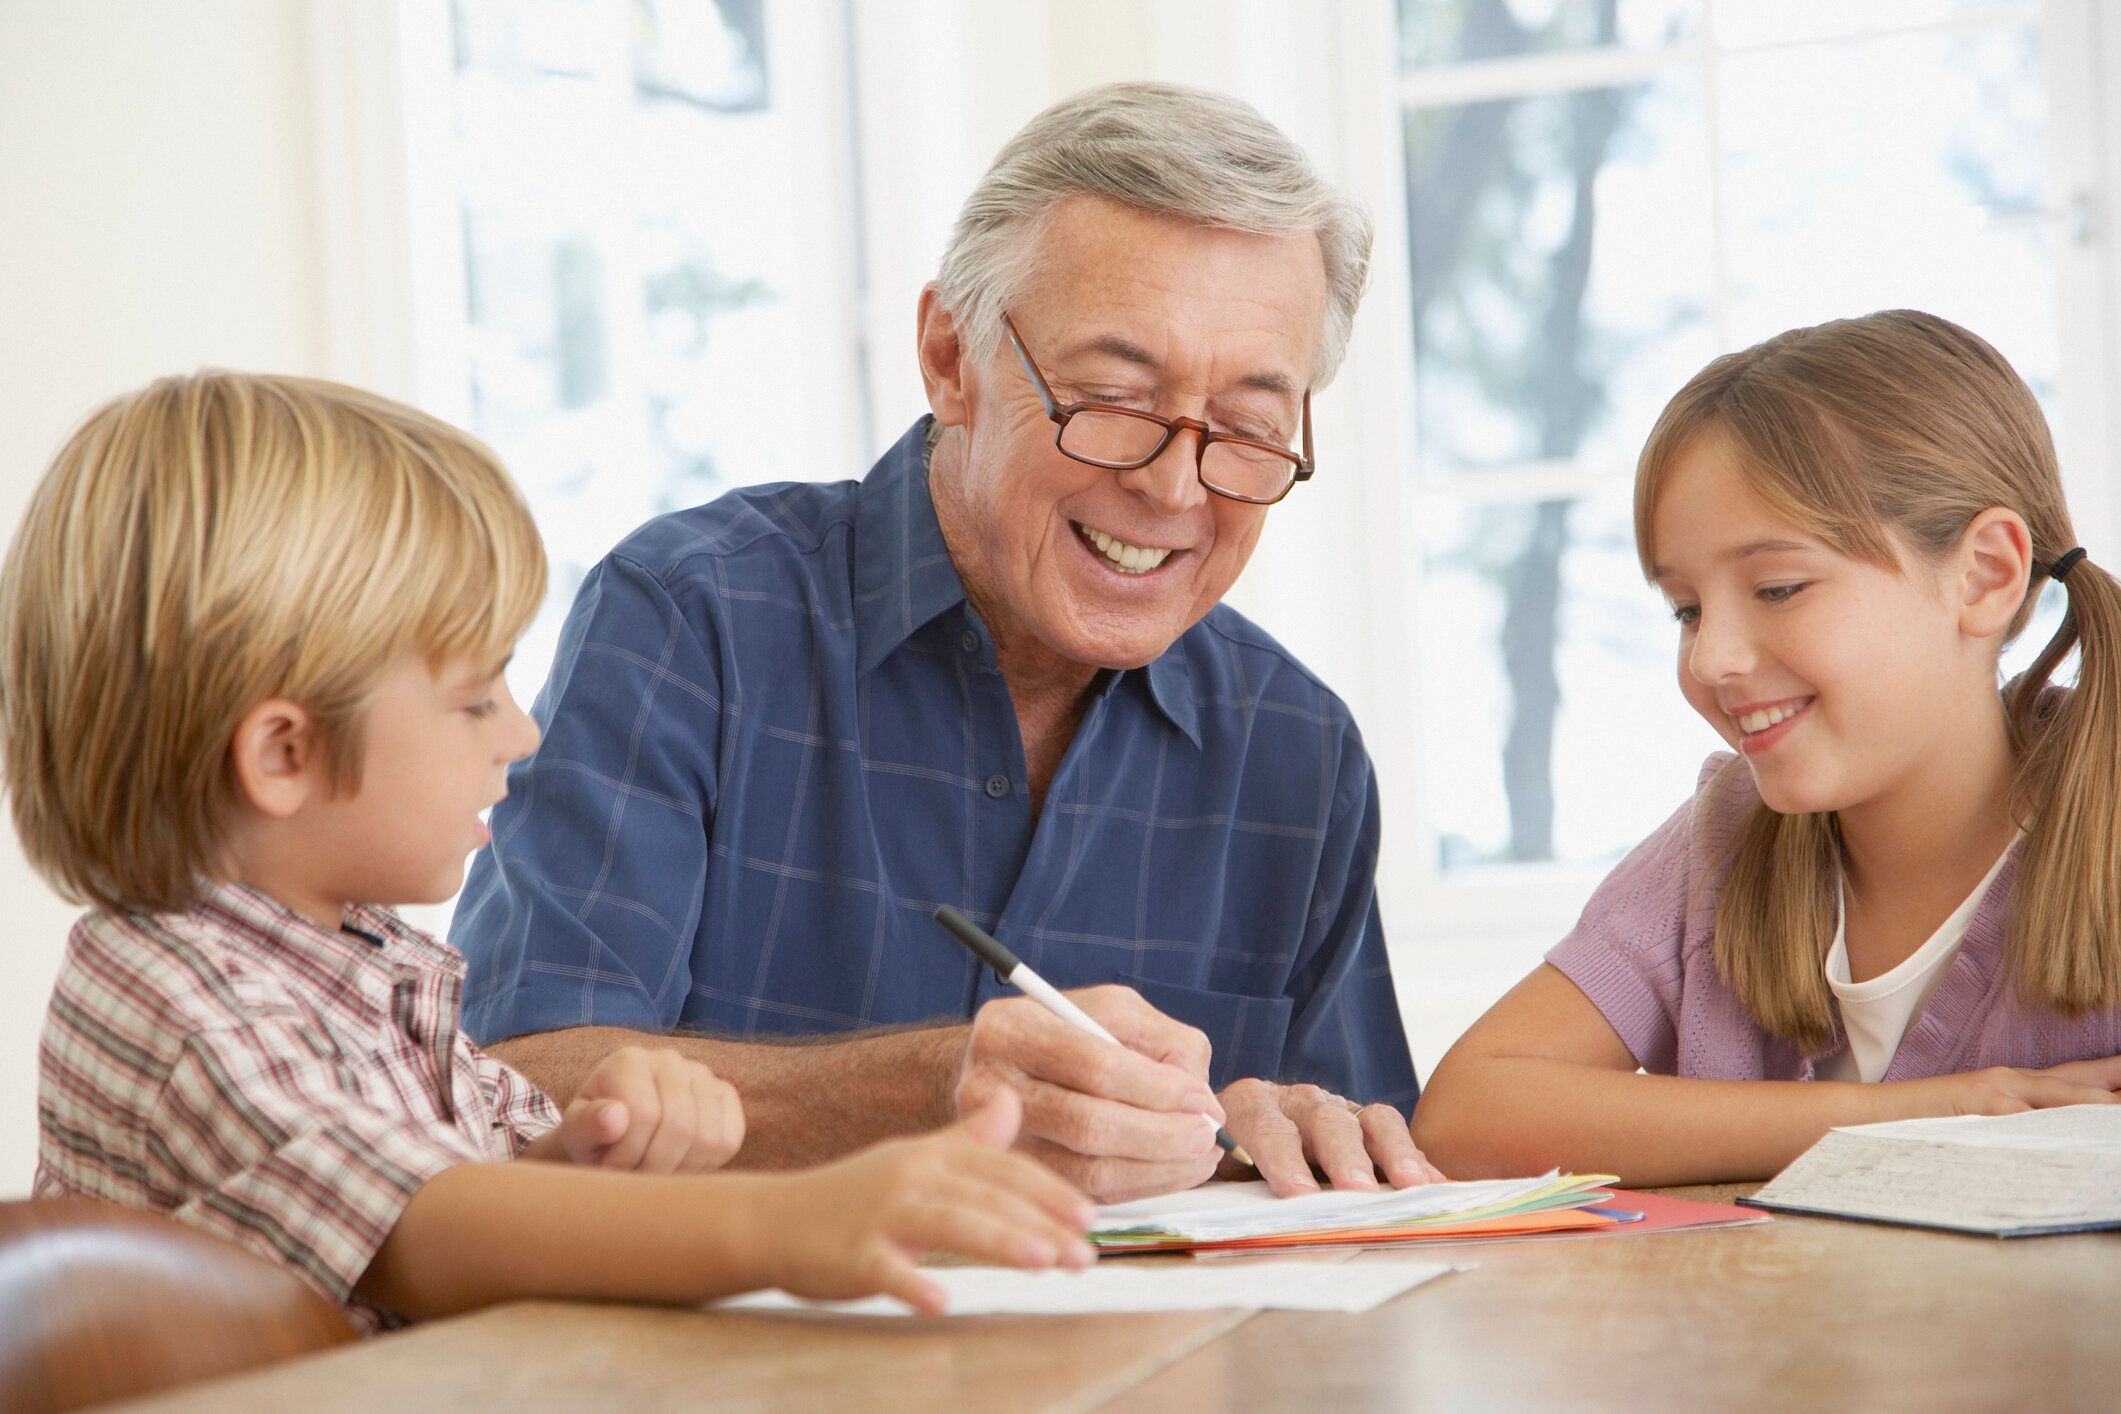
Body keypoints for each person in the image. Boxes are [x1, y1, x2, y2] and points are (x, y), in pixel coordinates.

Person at [451, 81, 1434, 1202]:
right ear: (950, 357)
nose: (1172, 486)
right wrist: (936, 1089)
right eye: (1112, 397)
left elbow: (1358, 1183)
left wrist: (1286, 1136)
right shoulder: (693, 620)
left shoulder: (1296, 751)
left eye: (1252, 429)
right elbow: (505, 1089)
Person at [3, 372, 1093, 1332]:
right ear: (284, 754)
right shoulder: (172, 998)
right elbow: (422, 1229)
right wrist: (791, 1218)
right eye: (475, 698)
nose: (522, 735)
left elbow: (473, 1194)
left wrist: (586, 1161)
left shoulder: (366, 962)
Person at [1412, 309, 2121, 1186]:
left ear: (1982, 576)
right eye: (1686, 609)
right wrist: (1918, 1114)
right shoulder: (1722, 842)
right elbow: (1468, 1115)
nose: (1709, 658)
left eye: (1778, 588)